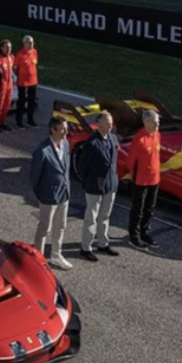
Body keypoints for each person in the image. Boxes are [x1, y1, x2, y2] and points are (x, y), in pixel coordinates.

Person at [74, 112, 121, 261]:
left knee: (105, 215)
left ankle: (102, 243)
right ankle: (85, 247)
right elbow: (82, 166)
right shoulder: (92, 143)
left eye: (111, 123)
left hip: (110, 184)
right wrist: (88, 181)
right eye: (107, 123)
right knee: (91, 217)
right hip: (95, 185)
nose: (110, 126)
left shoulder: (113, 139)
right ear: (99, 124)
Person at [29, 117, 73, 270]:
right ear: (53, 130)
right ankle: (38, 259)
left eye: (66, 128)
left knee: (61, 226)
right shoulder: (42, 150)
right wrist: (41, 194)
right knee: (44, 229)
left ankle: (56, 255)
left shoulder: (66, 144)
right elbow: (35, 177)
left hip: (63, 194)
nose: (66, 132)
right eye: (62, 129)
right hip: (48, 196)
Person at [124, 109, 162, 249]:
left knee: (149, 208)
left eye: (158, 122)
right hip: (140, 181)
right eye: (154, 122)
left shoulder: (157, 135)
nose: (157, 125)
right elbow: (130, 161)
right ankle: (134, 236)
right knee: (138, 209)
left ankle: (145, 233)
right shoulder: (139, 140)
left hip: (154, 179)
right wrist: (134, 177)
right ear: (145, 122)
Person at [0, 39, 15, 131]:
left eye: (10, 47)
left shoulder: (11, 57)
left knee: (7, 104)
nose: (9, 49)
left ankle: (3, 122)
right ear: (1, 48)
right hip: (1, 85)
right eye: (7, 47)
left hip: (9, 85)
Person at [14, 35, 39, 128]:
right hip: (23, 82)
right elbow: (15, 68)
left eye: (32, 42)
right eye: (29, 42)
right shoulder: (20, 54)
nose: (32, 44)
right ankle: (19, 121)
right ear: (24, 43)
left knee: (32, 101)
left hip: (33, 81)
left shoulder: (34, 52)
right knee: (21, 102)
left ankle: (30, 119)